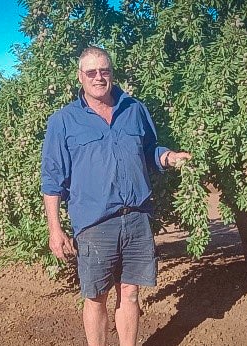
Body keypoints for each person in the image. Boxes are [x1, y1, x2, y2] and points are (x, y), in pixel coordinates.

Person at [41, 46, 191, 346]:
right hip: (95, 224)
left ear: (112, 73)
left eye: (104, 71)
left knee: (131, 293)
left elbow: (150, 150)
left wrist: (169, 157)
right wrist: (55, 229)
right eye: (92, 72)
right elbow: (52, 179)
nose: (99, 77)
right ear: (80, 77)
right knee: (96, 297)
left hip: (136, 218)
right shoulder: (64, 121)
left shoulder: (134, 109)